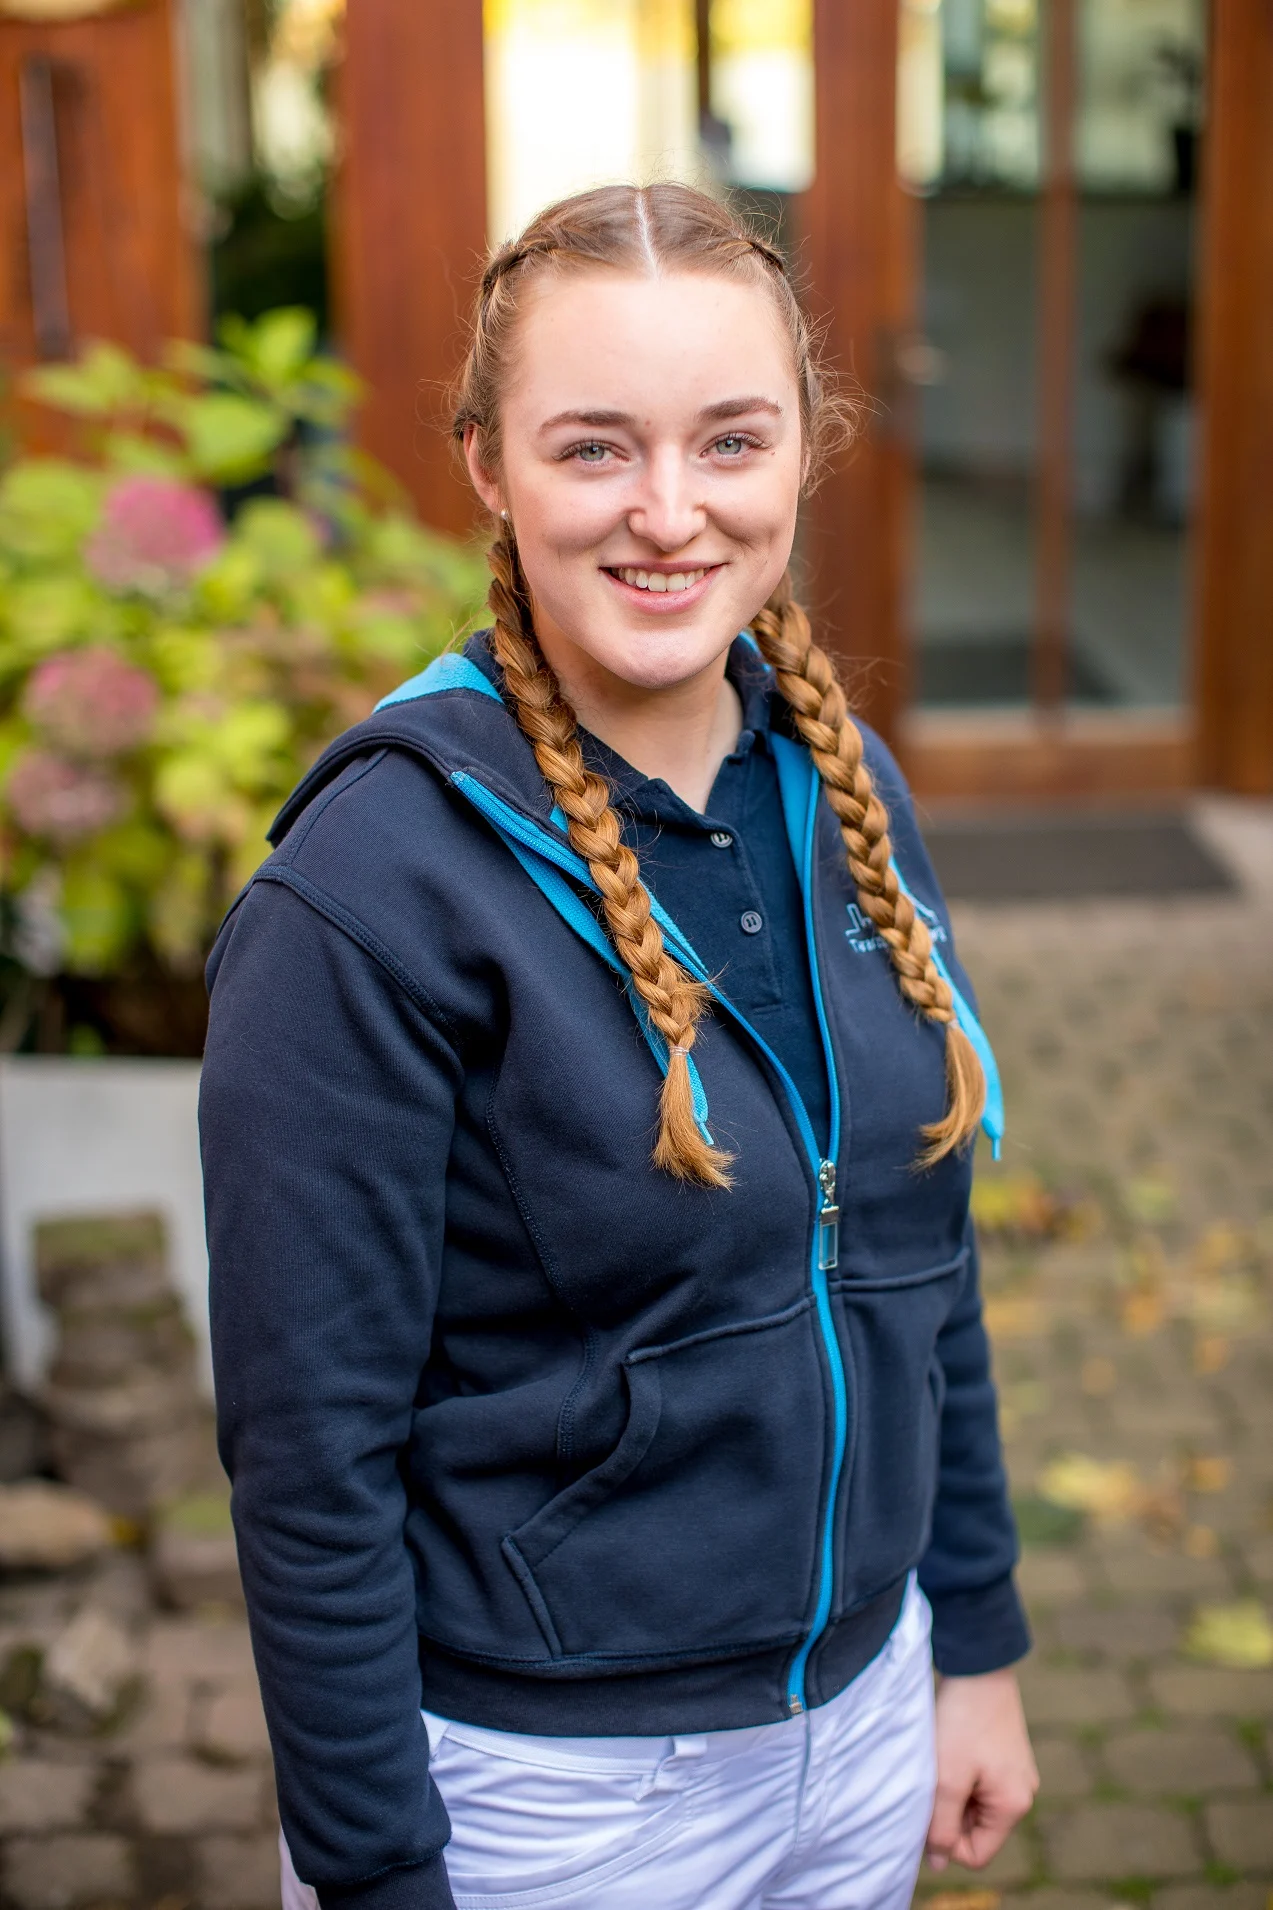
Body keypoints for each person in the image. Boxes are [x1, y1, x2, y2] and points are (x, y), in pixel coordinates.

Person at [201, 182, 1038, 1910]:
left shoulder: (849, 795)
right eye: (595, 450)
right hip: (550, 1800)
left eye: (730, 440)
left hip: (863, 1721)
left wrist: (977, 1641)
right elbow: (310, 1456)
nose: (670, 513)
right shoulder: (370, 890)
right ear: (488, 465)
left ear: (808, 447)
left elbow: (916, 1264)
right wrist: (376, 1875)